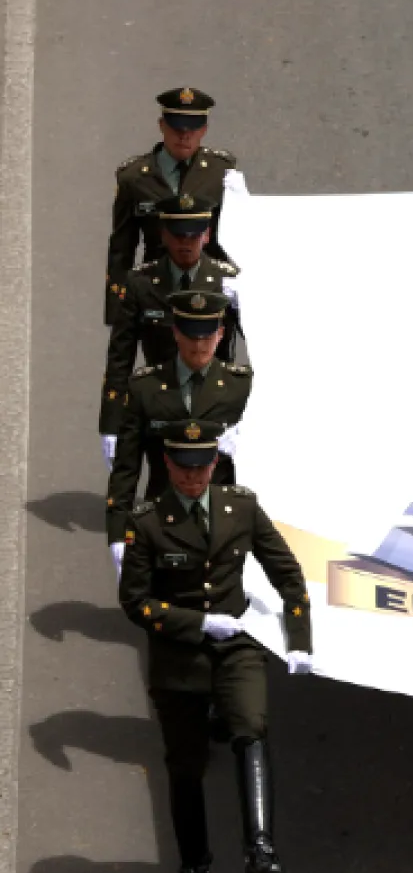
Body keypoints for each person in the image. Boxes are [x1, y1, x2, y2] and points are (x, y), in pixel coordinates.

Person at [117, 420, 314, 873]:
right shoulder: (147, 521)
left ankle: (260, 848)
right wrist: (199, 622)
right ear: (168, 465)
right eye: (183, 469)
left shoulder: (240, 507)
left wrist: (300, 641)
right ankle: (194, 868)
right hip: (180, 653)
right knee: (185, 768)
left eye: (201, 466)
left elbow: (287, 572)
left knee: (250, 727)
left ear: (214, 464)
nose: (192, 477)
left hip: (236, 646)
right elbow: (135, 603)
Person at [107, 292, 251, 574]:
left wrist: (253, 440)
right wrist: (118, 535)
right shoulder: (145, 388)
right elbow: (127, 468)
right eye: (191, 336)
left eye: (207, 336)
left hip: (222, 524)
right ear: (175, 333)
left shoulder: (241, 387)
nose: (199, 345)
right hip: (163, 521)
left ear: (221, 334)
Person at [98, 194, 244, 469]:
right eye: (179, 235)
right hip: (161, 403)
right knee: (160, 492)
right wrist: (111, 423)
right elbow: (120, 356)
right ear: (164, 235)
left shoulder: (230, 281)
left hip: (215, 405)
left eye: (194, 235)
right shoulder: (141, 284)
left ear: (207, 234)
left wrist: (252, 304)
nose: (186, 243)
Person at [104, 87, 244, 324]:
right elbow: (122, 248)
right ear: (162, 126)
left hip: (208, 292)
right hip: (157, 292)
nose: (184, 135)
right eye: (177, 127)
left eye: (193, 129)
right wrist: (119, 310)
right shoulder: (135, 178)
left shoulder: (221, 174)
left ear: (204, 130)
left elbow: (236, 241)